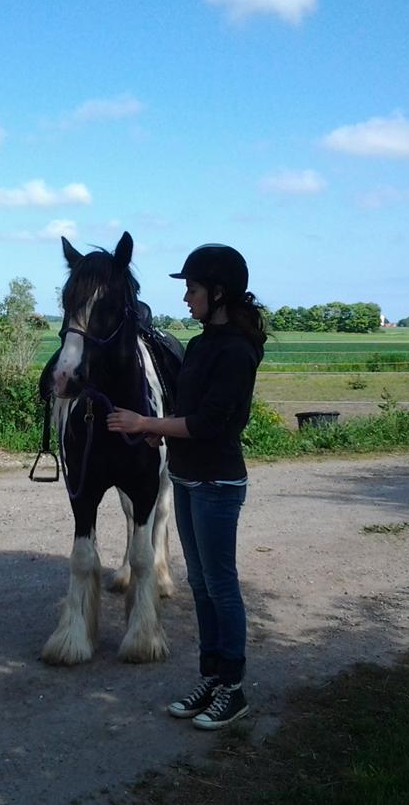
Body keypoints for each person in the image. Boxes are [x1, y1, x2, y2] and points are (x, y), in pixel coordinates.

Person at [106, 243, 265, 731]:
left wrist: (144, 419)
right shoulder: (198, 346)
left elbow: (211, 422)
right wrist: (157, 428)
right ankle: (212, 678)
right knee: (200, 585)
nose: (186, 299)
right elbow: (186, 414)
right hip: (188, 475)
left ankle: (233, 689)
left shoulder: (237, 352)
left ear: (218, 293)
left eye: (192, 289)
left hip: (217, 479)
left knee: (221, 585)